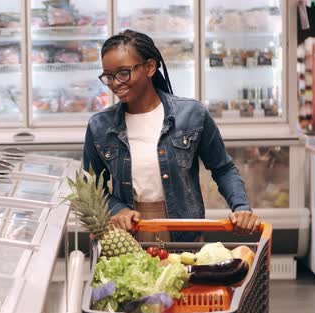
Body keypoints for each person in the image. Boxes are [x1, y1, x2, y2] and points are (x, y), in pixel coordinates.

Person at [83, 29, 261, 242]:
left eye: (123, 72)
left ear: (149, 67)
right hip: (127, 237)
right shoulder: (100, 126)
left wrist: (241, 208)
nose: (115, 83)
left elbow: (223, 168)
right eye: (108, 76)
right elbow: (91, 188)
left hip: (184, 234)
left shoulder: (192, 114)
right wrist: (118, 209)